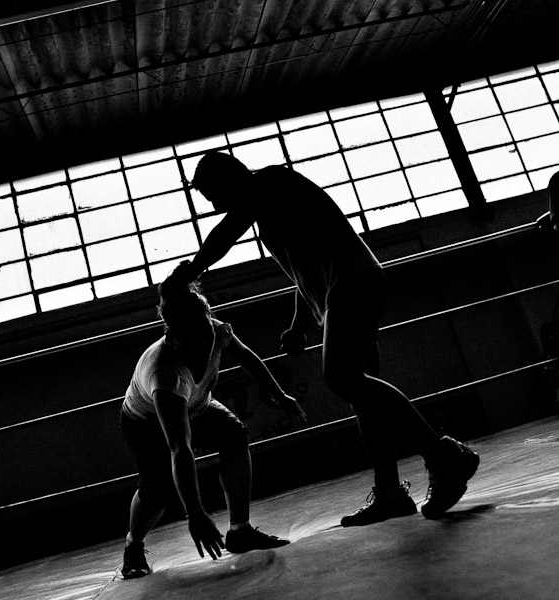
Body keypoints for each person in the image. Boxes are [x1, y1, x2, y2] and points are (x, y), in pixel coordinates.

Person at [164, 151, 480, 529]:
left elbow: (226, 232)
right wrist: (299, 325)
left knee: (343, 379)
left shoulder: (268, 182)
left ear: (229, 177)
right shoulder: (271, 208)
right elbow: (306, 271)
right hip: (340, 291)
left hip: (352, 284)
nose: (215, 206)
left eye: (213, 195)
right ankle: (390, 492)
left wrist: (192, 271)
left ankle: (443, 455)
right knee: (363, 397)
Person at [119, 279, 306, 579]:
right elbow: (179, 448)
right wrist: (195, 513)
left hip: (197, 404)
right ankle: (134, 546)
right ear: (176, 337)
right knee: (158, 488)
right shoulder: (164, 374)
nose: (206, 349)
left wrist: (279, 394)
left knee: (234, 435)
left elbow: (246, 357)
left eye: (207, 335)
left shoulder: (216, 330)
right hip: (146, 420)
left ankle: (240, 531)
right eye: (196, 342)